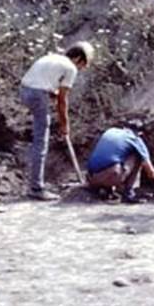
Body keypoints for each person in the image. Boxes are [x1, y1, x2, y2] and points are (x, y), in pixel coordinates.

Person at [19, 41, 93, 201]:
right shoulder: (71, 68)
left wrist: (51, 93)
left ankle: (35, 183)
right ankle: (36, 188)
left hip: (24, 91)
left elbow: (43, 82)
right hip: (38, 95)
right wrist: (64, 125)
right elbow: (62, 100)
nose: (81, 69)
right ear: (78, 59)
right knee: (41, 141)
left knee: (40, 133)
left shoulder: (52, 57)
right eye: (83, 65)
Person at [86, 126, 154, 203]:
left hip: (91, 178)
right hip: (111, 177)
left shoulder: (111, 131)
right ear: (140, 134)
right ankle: (129, 193)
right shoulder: (135, 139)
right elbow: (151, 172)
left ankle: (106, 189)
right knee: (138, 156)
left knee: (115, 156)